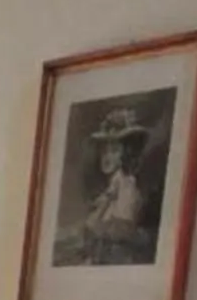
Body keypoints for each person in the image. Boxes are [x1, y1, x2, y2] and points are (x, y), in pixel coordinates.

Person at [54, 107, 158, 267]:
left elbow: (120, 228)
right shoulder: (112, 188)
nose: (106, 157)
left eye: (114, 151)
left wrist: (93, 230)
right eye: (104, 151)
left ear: (126, 154)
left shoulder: (127, 186)